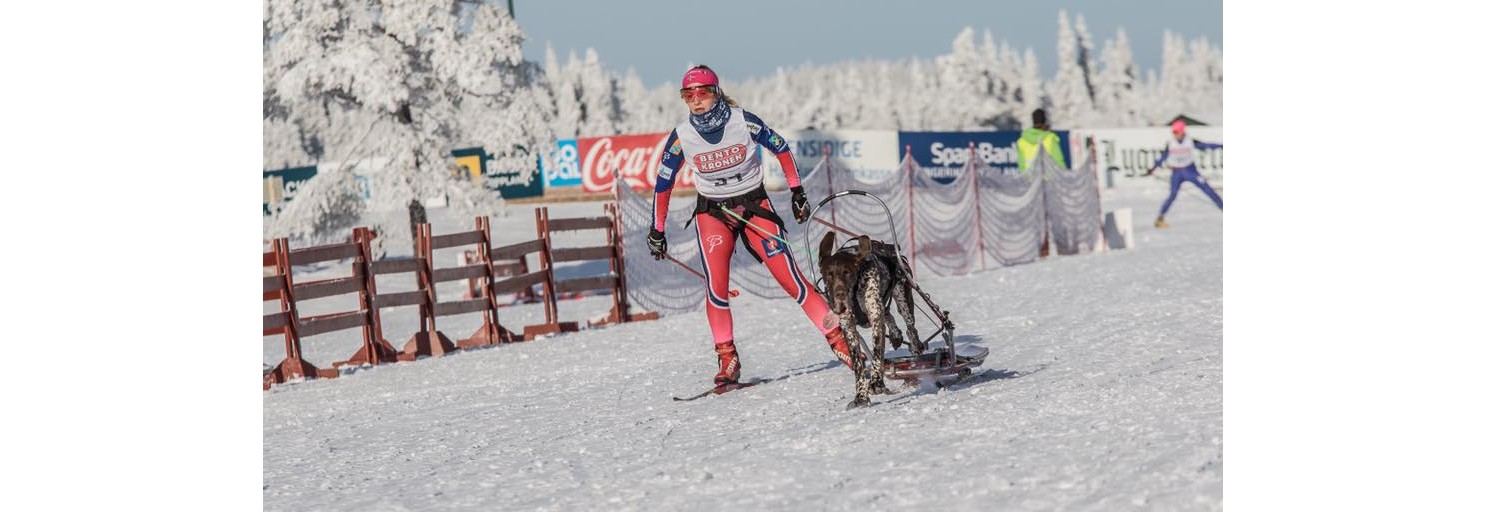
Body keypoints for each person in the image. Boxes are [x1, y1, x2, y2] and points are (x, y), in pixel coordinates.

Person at [645, 65, 852, 386]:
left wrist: (797, 191)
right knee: (716, 288)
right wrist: (657, 229)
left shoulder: (742, 121)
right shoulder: (682, 134)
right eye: (688, 95)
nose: (695, 101)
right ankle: (727, 357)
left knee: (791, 280)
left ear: (715, 93)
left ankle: (840, 340)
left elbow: (781, 148)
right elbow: (663, 183)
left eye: (701, 93)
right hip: (713, 213)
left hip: (754, 206)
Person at [1145, 120, 1224, 228]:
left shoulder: (1190, 141)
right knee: (1172, 195)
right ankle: (1160, 219)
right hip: (1177, 173)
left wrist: (1221, 146)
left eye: (1177, 132)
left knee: (1208, 190)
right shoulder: (1171, 144)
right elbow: (1162, 157)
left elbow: (1207, 145)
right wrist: (1153, 169)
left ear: (1182, 131)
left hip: (1190, 170)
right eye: (1174, 132)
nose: (1175, 134)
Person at [1017, 109, 1065, 257]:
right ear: (1044, 121)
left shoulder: (1023, 140)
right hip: (1050, 181)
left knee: (1039, 217)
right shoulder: (1049, 138)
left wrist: (1027, 181)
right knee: (1057, 215)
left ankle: (1043, 249)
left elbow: (1021, 164)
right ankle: (1062, 247)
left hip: (1032, 182)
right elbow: (1058, 160)